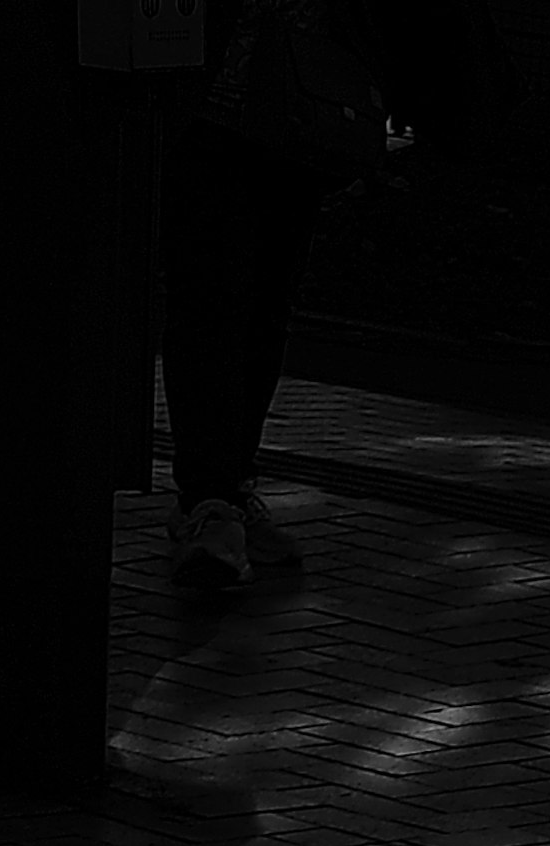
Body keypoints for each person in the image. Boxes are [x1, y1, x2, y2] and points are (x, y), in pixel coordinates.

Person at [162, 0, 385, 598]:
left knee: (255, 309)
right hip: (242, 112)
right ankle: (213, 494)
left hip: (284, 116)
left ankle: (221, 493)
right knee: (219, 304)